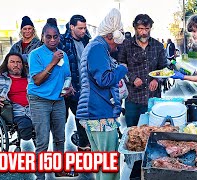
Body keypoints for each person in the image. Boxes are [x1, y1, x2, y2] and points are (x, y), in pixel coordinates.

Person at [76, 8, 127, 180]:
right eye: (115, 44)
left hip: (96, 113)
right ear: (110, 37)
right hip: (100, 114)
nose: (115, 48)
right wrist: (121, 69)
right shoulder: (98, 48)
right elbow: (104, 79)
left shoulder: (95, 47)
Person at [27, 18, 74, 179]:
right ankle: (40, 175)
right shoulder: (35, 55)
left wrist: (69, 87)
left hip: (58, 100)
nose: (52, 40)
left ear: (59, 37)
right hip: (39, 99)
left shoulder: (64, 55)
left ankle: (59, 169)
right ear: (42, 37)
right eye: (49, 37)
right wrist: (53, 62)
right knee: (43, 140)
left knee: (60, 138)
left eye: (55, 36)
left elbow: (67, 75)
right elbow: (38, 80)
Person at [118, 14, 167, 127]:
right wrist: (132, 78)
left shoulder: (158, 46)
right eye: (140, 29)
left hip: (152, 99)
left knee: (153, 131)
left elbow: (165, 68)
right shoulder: (126, 45)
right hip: (133, 98)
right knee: (132, 133)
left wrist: (156, 79)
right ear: (135, 28)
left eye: (147, 29)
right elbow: (120, 66)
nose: (144, 32)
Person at [59, 14, 91, 151]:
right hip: (64, 88)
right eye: (80, 28)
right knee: (60, 123)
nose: (83, 31)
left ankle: (83, 150)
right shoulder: (62, 41)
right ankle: (59, 157)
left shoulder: (87, 41)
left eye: (84, 28)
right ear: (71, 26)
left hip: (81, 88)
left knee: (83, 121)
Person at [0, 52, 33, 142]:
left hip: (33, 110)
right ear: (6, 64)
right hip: (15, 112)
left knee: (45, 124)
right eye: (12, 62)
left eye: (19, 62)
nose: (16, 65)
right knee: (25, 125)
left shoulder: (31, 79)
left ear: (22, 65)